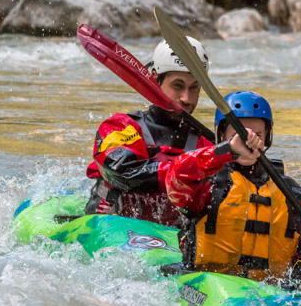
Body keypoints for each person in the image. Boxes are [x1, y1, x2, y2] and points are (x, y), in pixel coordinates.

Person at [166, 90, 301, 286]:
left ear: (267, 139)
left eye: (257, 134)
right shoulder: (205, 185)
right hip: (207, 285)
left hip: (268, 296)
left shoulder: (289, 192)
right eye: (240, 134)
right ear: (221, 137)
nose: (249, 141)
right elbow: (175, 175)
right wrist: (227, 151)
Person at [85, 37, 213, 226]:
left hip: (170, 241)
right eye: (177, 85)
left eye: (194, 87)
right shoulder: (119, 127)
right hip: (112, 229)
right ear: (155, 80)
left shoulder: (207, 145)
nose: (186, 98)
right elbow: (121, 174)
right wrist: (184, 170)